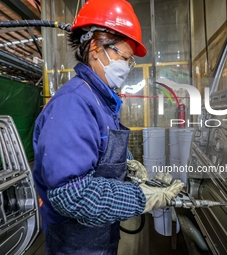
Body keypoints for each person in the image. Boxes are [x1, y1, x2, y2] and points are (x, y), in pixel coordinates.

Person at [32, 0, 184, 254]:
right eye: (123, 57)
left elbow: (97, 152)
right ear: (95, 47)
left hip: (99, 232)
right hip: (76, 243)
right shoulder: (74, 103)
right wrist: (139, 197)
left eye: (129, 61)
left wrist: (129, 168)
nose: (125, 67)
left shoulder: (99, 100)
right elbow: (70, 194)